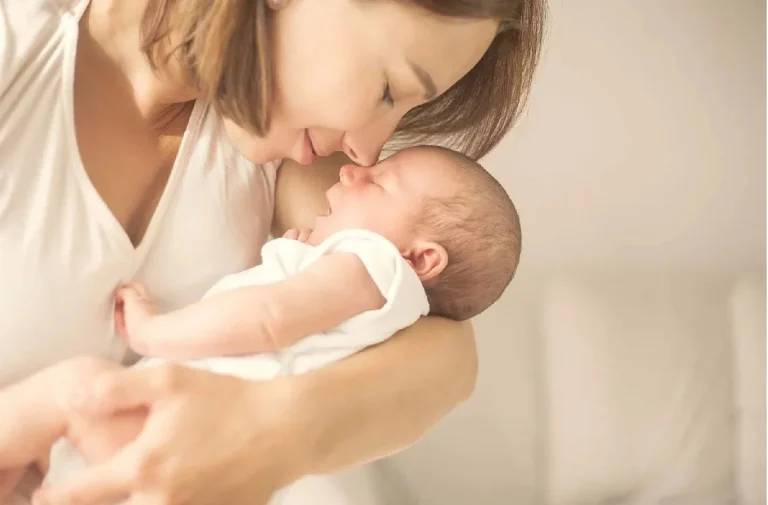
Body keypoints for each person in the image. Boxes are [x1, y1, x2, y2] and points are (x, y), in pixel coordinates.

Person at [0, 0, 546, 503]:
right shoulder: (20, 54)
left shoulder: (280, 145)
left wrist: (271, 430)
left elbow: (446, 352)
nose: (366, 152)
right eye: (389, 90)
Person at [0, 146, 522, 498]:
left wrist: (153, 330)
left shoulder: (375, 262)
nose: (353, 169)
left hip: (171, 421)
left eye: (381, 182)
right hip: (185, 448)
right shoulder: (376, 300)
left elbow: (270, 319)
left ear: (421, 259)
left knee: (78, 388)